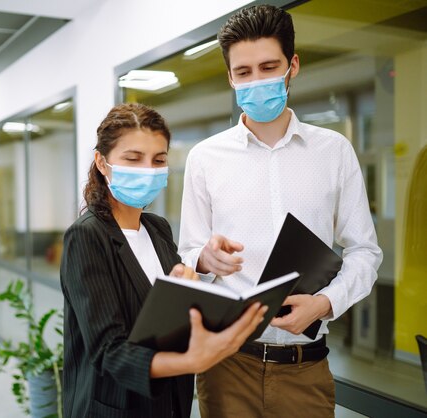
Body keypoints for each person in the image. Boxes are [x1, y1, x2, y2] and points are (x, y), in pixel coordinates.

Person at [178, 5, 383, 417]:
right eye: (244, 72)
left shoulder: (334, 152)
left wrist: (324, 303)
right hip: (225, 364)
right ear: (230, 77)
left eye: (268, 67)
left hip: (305, 371)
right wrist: (203, 257)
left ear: (293, 66)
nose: (256, 81)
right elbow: (188, 255)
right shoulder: (205, 158)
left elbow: (365, 251)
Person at [60, 103, 268, 418]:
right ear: (102, 163)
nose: (148, 169)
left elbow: (166, 312)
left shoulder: (157, 228)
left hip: (169, 404)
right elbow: (107, 351)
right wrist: (191, 362)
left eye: (159, 160)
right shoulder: (87, 237)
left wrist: (197, 275)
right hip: (115, 408)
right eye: (133, 159)